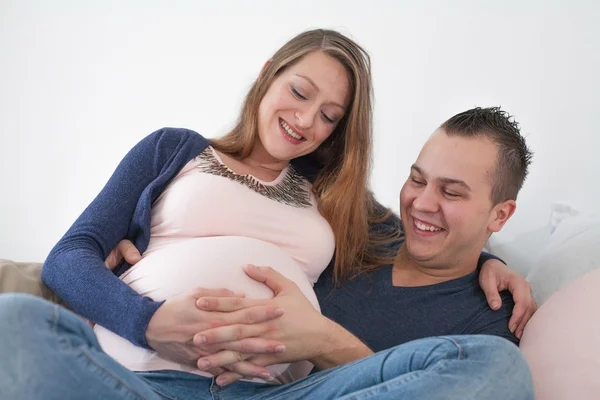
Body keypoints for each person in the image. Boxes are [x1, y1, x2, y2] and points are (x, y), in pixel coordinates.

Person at [0, 25, 533, 398]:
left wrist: (488, 257)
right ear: (267, 75)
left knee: (495, 366)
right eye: (299, 92)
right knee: (13, 320)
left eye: (329, 116)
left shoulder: (334, 199)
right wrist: (151, 321)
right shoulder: (174, 150)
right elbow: (68, 257)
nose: (305, 119)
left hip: (275, 393)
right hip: (141, 381)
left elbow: (428, 232)